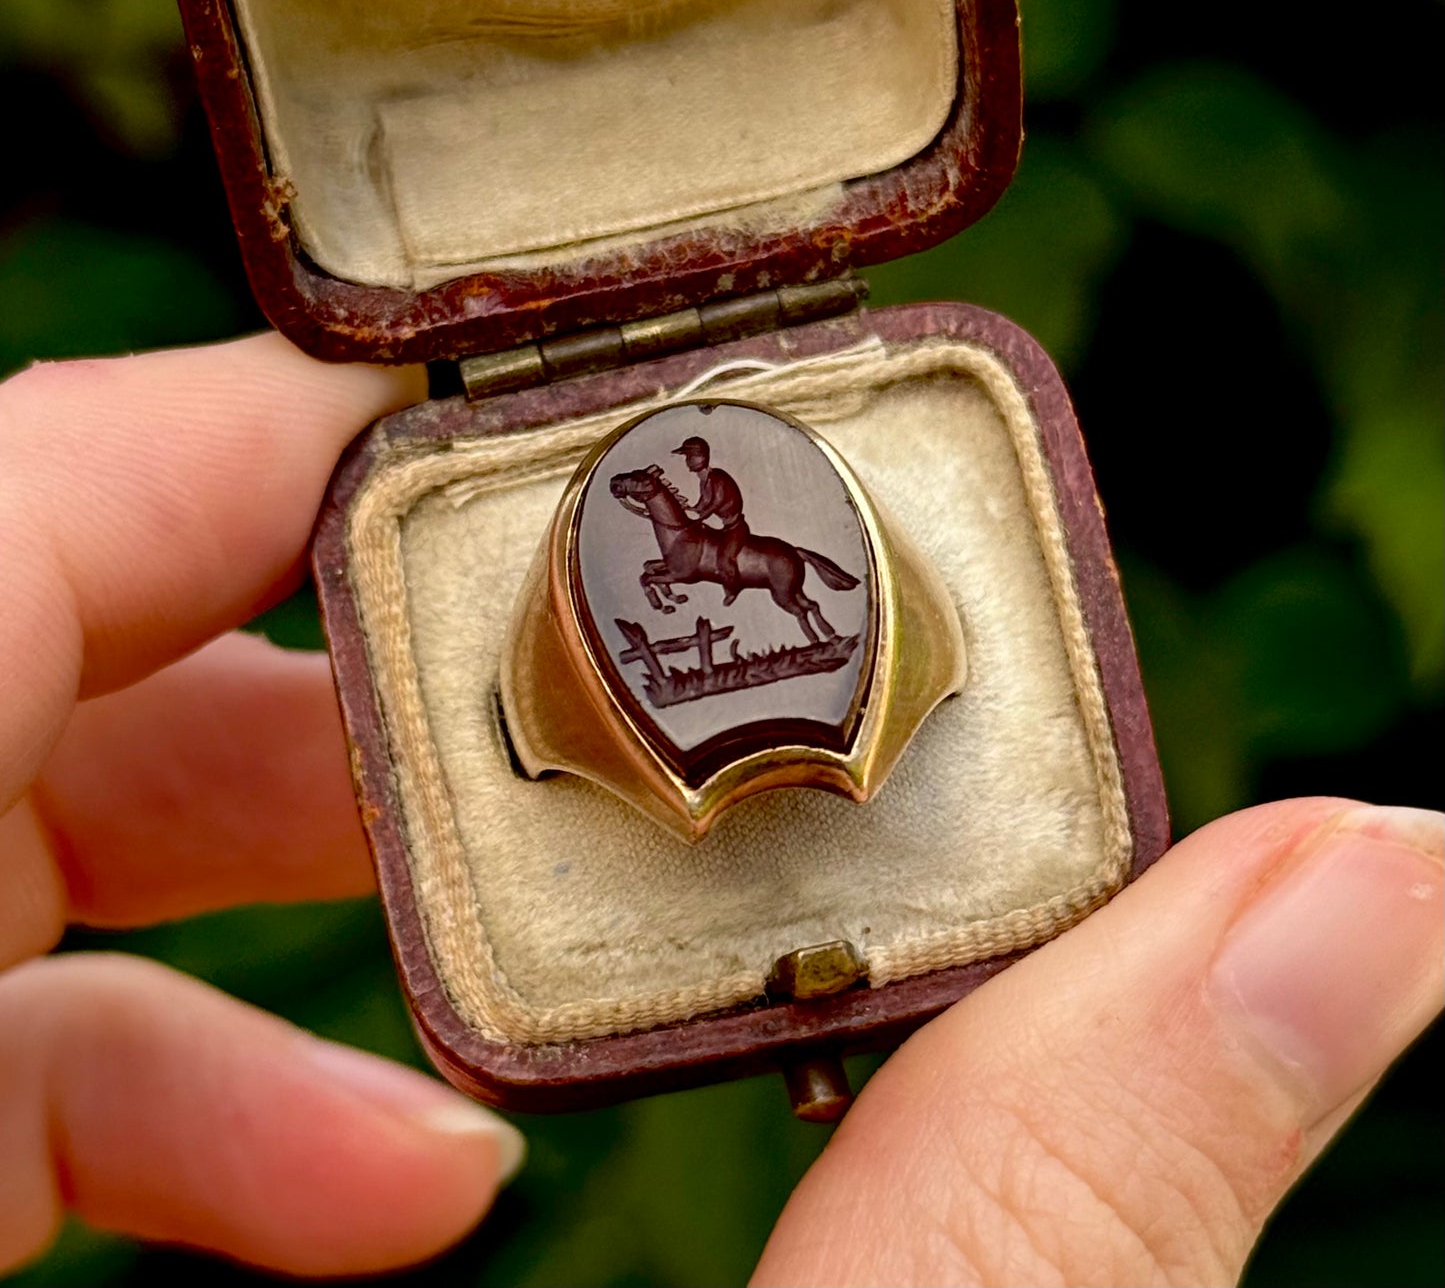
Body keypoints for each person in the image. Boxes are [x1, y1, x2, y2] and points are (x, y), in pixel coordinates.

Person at [0, 334, 1439, 1283]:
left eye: (688, 482)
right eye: (682, 486)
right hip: (637, 695)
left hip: (787, 638)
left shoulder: (713, 490)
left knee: (742, 567)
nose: (686, 494)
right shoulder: (667, 505)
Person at [673, 435, 748, 604]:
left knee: (724, 560)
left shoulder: (717, 477)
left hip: (735, 527)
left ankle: (732, 589)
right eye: (687, 457)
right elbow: (704, 502)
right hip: (725, 527)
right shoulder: (704, 480)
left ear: (702, 457)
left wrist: (699, 519)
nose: (687, 461)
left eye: (690, 457)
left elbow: (716, 502)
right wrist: (691, 510)